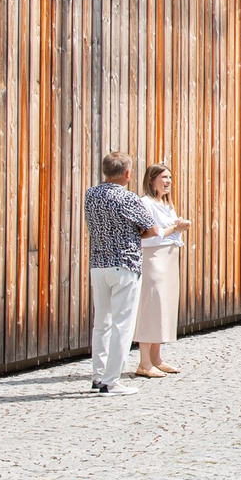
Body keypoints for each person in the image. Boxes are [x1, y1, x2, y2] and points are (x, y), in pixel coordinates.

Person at [84, 151, 162, 395]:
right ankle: (111, 380)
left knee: (101, 324)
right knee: (122, 325)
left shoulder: (90, 195)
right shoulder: (128, 198)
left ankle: (98, 376)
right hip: (124, 264)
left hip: (98, 264)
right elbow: (151, 230)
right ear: (128, 174)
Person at [131, 162, 192, 377]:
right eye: (163, 177)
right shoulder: (145, 203)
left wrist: (178, 225)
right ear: (151, 179)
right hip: (154, 258)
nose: (168, 181)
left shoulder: (166, 204)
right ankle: (144, 362)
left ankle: (156, 358)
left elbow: (168, 230)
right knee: (151, 306)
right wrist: (175, 228)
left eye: (170, 177)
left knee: (163, 306)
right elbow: (148, 234)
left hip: (169, 256)